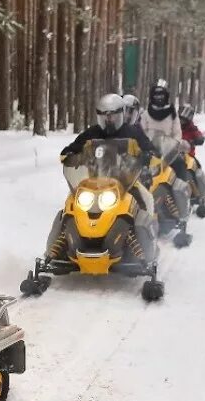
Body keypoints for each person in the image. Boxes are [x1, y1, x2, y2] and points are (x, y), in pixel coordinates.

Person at [57, 93, 160, 265]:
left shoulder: (132, 132)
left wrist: (148, 155)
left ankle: (147, 246)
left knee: (146, 198)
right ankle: (56, 249)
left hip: (125, 182)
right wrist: (68, 154)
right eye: (104, 116)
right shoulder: (91, 133)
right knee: (70, 207)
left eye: (112, 115)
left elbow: (150, 149)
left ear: (121, 114)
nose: (109, 119)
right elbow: (72, 148)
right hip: (93, 183)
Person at [140, 82, 192, 221]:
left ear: (166, 96)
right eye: (156, 95)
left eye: (161, 95)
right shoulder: (145, 114)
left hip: (170, 151)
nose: (159, 98)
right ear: (152, 96)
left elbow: (177, 133)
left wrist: (175, 145)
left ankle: (183, 204)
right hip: (150, 153)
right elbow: (142, 133)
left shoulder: (172, 114)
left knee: (181, 165)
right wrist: (145, 146)